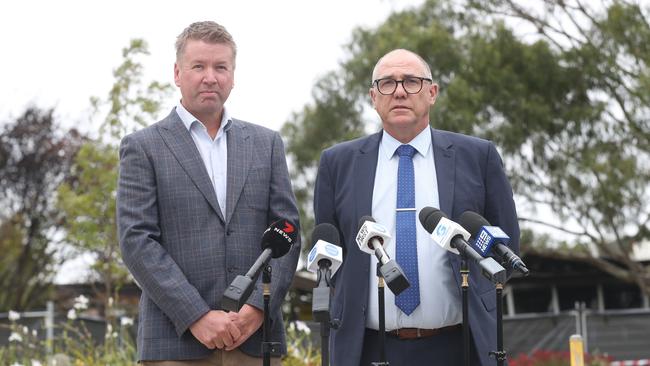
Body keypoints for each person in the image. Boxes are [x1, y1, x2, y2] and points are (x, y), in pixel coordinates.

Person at [313, 49, 520, 366]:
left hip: (461, 345)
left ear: (432, 92)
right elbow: (329, 251)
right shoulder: (338, 163)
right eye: (387, 83)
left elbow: (505, 246)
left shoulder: (477, 157)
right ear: (373, 96)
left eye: (411, 81)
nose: (398, 91)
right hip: (368, 348)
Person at [117, 21, 300, 366]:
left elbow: (287, 233)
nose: (210, 77)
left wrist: (257, 309)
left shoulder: (267, 144)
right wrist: (197, 316)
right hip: (176, 342)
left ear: (233, 74)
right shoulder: (143, 148)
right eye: (198, 66)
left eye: (221, 67)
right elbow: (136, 241)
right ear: (177, 72)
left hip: (254, 343)